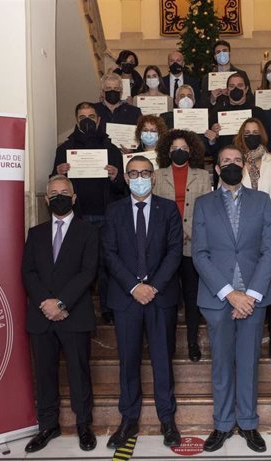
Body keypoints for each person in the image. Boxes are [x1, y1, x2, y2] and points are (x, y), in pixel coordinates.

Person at [192, 145, 271, 453]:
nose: (231, 164)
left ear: (244, 166)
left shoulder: (262, 201)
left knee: (249, 363)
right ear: (216, 168)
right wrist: (230, 294)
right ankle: (223, 423)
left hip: (254, 298)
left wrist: (250, 296)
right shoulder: (203, 204)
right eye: (225, 161)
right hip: (218, 299)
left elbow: (269, 251)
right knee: (222, 365)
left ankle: (249, 423)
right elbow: (200, 254)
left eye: (236, 160)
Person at [102, 156, 184, 449]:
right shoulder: (114, 211)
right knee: (128, 361)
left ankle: (167, 419)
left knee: (163, 360)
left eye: (145, 173)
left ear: (153, 177)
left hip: (160, 298)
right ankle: (128, 419)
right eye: (134, 173)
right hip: (126, 299)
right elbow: (109, 253)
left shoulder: (168, 210)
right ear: (126, 177)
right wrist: (135, 286)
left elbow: (174, 251)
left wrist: (153, 287)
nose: (139, 177)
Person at [22, 175, 100, 453]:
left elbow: (88, 272)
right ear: (45, 199)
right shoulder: (36, 232)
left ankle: (83, 425)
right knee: (44, 373)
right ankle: (47, 426)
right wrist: (46, 302)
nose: (59, 196)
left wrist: (62, 303)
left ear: (74, 197)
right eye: (53, 193)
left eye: (64, 192)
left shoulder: (88, 232)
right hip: (41, 316)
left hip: (74, 314)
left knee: (79, 373)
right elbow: (28, 271)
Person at [52, 101, 126, 324]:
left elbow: (122, 189)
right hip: (77, 217)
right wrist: (59, 173)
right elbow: (52, 185)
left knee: (107, 265)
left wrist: (115, 176)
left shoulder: (112, 150)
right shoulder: (64, 150)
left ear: (98, 120)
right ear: (76, 120)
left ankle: (107, 308)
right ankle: (73, 306)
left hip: (106, 216)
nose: (87, 120)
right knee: (76, 265)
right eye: (82, 116)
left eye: (91, 116)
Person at [153, 129, 212, 362]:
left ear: (192, 151)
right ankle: (165, 344)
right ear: (167, 151)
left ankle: (192, 342)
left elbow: (206, 210)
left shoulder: (203, 176)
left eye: (184, 149)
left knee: (191, 296)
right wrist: (174, 235)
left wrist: (187, 233)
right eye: (175, 148)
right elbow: (156, 211)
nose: (179, 152)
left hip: (192, 245)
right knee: (166, 297)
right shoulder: (157, 176)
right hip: (165, 247)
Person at [235, 118, 271, 359]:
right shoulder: (235, 161)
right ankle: (249, 339)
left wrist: (263, 220)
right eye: (247, 132)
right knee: (246, 284)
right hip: (241, 233)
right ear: (241, 136)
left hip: (270, 228)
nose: (252, 135)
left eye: (256, 132)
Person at [208, 72, 269, 161]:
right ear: (227, 91)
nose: (236, 89)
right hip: (226, 166)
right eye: (232, 86)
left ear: (246, 89)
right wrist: (213, 139)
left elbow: (265, 141)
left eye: (240, 85)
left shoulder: (258, 113)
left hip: (252, 164)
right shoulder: (217, 113)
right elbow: (211, 150)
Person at [199, 40, 253, 108]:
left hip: (238, 113)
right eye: (218, 52)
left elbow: (250, 99)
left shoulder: (241, 74)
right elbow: (202, 104)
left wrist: (236, 94)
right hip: (216, 114)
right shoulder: (207, 78)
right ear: (215, 57)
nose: (222, 54)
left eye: (224, 51)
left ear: (229, 54)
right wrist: (212, 99)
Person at [93, 72, 143, 137]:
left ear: (121, 92)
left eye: (116, 88)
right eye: (108, 88)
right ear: (102, 92)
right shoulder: (93, 111)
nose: (112, 91)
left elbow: (141, 135)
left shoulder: (134, 112)